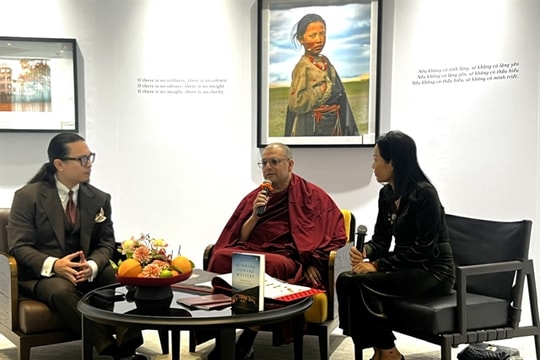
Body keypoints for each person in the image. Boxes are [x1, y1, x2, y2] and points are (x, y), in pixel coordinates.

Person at [7, 133, 147, 360]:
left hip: (86, 269)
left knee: (120, 278)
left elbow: (106, 243)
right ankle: (106, 346)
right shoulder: (28, 197)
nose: (89, 164)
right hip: (45, 275)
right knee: (61, 290)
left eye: (90, 157)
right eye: (82, 159)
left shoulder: (99, 198)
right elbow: (19, 246)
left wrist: (92, 265)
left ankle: (129, 345)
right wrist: (55, 265)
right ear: (59, 164)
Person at [206, 142, 347, 359]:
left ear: (290, 165)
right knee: (219, 256)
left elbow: (335, 235)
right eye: (264, 163)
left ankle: (246, 340)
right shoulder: (257, 195)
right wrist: (255, 214)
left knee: (269, 265)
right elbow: (239, 237)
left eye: (274, 162)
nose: (268, 167)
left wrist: (312, 262)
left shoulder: (311, 195)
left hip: (285, 256)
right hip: (253, 249)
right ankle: (222, 336)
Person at [336, 131, 455, 360]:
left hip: (433, 271)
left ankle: (388, 352)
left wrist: (378, 265)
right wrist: (366, 251)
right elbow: (381, 239)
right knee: (346, 280)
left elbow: (424, 249)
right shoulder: (387, 194)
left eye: (376, 159)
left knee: (361, 283)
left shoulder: (425, 194)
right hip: (406, 265)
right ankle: (381, 351)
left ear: (393, 163)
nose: (373, 166)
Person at [285, 13, 359, 137]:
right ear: (301, 39)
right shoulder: (303, 67)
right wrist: (320, 90)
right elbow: (296, 103)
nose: (319, 40)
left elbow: (339, 95)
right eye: (312, 35)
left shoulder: (325, 62)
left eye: (322, 34)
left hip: (332, 125)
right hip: (311, 127)